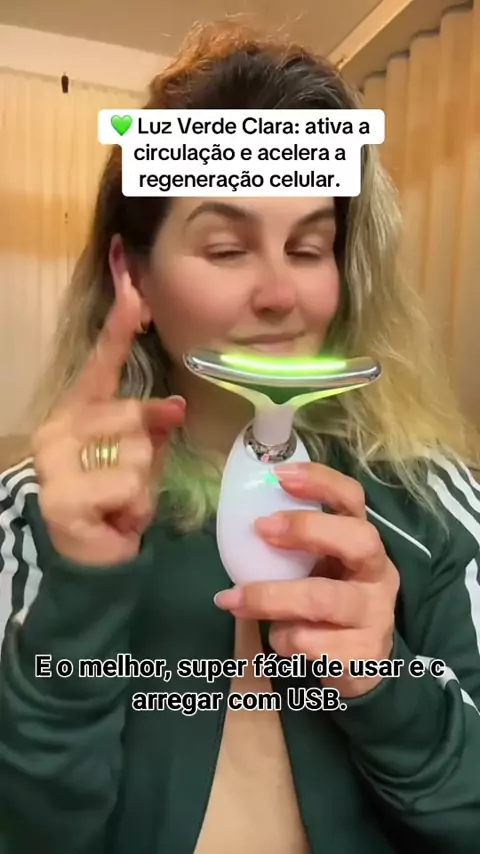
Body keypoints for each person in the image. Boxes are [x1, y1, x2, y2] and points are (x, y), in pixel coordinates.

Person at [0, 20, 479, 854]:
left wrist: (390, 686)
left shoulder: (434, 501)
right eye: (226, 248)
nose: (279, 293)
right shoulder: (28, 517)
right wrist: (78, 604)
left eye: (310, 247)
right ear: (134, 275)